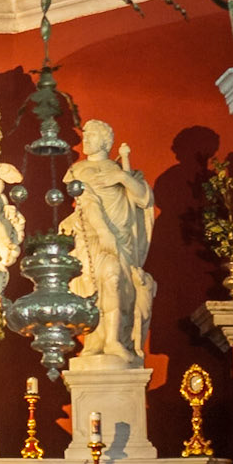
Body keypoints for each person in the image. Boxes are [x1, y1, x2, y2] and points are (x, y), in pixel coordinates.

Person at [60, 119, 155, 363]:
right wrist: (96, 229)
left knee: (113, 280)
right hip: (91, 238)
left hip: (121, 240)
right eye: (85, 135)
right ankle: (95, 341)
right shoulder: (78, 171)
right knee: (92, 287)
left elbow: (143, 199)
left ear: (104, 141)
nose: (85, 140)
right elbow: (86, 203)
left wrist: (122, 177)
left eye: (91, 135)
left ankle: (113, 340)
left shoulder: (121, 170)